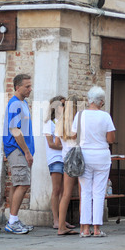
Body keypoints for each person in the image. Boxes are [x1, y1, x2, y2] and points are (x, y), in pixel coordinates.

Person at [72, 86, 115, 237]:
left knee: (85, 192)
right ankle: (96, 228)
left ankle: (84, 228)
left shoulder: (80, 115)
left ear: (89, 100)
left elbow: (73, 135)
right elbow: (110, 139)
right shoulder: (105, 116)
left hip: (84, 155)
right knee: (98, 192)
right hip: (102, 156)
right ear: (101, 101)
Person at [3, 74, 35, 234]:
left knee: (17, 183)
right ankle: (12, 221)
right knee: (23, 183)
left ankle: (13, 219)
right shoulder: (15, 104)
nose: (30, 89)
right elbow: (15, 130)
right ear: (17, 87)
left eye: (30, 86)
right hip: (17, 149)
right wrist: (27, 152)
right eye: (27, 86)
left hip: (18, 149)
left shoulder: (23, 103)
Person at [43, 95, 76, 230]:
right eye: (63, 104)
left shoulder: (66, 121)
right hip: (55, 158)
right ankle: (56, 220)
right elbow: (51, 144)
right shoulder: (49, 123)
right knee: (57, 190)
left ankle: (62, 220)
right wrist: (68, 145)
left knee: (65, 191)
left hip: (65, 158)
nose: (65, 107)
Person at [55, 95, 82, 236]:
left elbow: (57, 142)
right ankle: (85, 225)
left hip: (66, 157)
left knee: (66, 193)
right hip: (78, 156)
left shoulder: (60, 122)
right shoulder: (78, 120)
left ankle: (61, 226)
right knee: (83, 192)